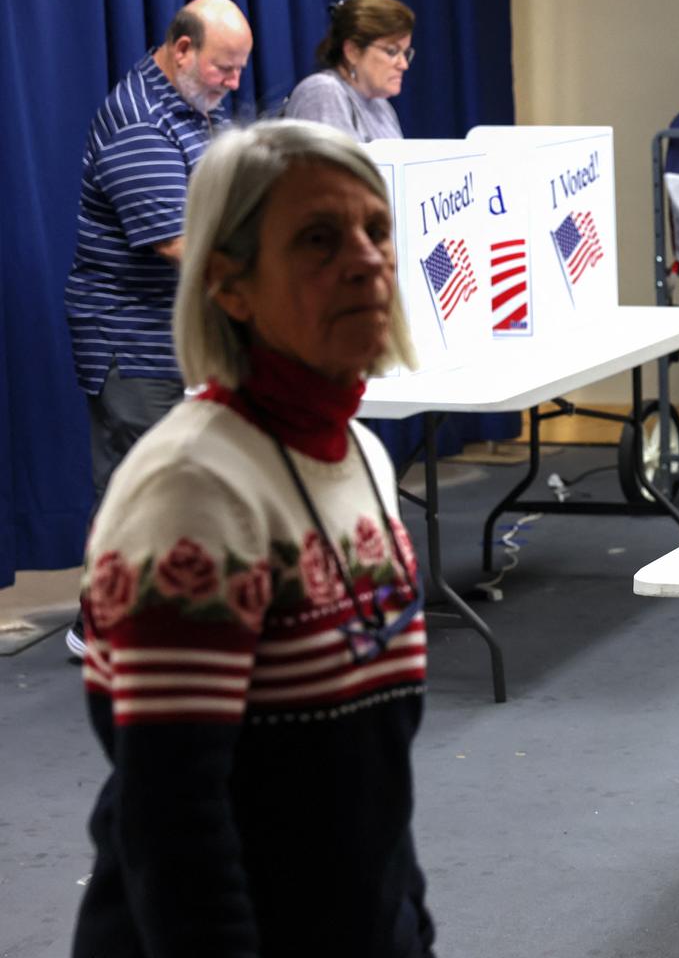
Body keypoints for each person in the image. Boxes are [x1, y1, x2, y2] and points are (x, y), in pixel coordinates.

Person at [72, 120, 435, 956]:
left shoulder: (363, 457)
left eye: (375, 229)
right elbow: (174, 828)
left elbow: (373, 785)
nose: (366, 258)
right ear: (230, 285)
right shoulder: (192, 488)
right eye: (318, 238)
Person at [64, 0, 254, 657]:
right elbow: (181, 244)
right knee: (139, 487)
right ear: (182, 50)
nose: (233, 84)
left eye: (239, 71)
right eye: (224, 69)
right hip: (131, 338)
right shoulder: (141, 123)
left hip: (174, 333)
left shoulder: (194, 106)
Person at [284, 0, 415, 142]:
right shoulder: (323, 91)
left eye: (405, 53)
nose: (404, 65)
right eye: (392, 51)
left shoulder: (381, 106)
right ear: (352, 51)